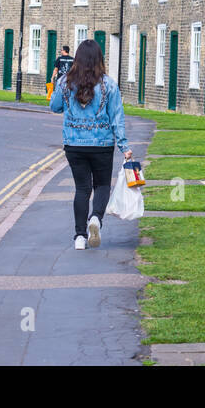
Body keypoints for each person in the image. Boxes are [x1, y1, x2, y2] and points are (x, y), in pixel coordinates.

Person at [49, 39, 130, 250]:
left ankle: (79, 237)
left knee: (82, 189)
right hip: (102, 144)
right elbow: (117, 118)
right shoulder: (109, 84)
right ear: (99, 59)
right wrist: (124, 147)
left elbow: (54, 107)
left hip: (74, 145)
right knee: (102, 185)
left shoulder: (65, 82)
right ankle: (96, 219)